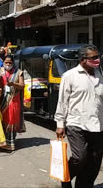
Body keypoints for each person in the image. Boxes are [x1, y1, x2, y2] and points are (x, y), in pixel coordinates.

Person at [55, 44, 103, 188]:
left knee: (94, 162)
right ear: (83, 60)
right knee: (79, 157)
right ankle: (65, 177)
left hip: (98, 124)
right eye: (93, 57)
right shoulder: (70, 76)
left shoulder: (99, 74)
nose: (97, 60)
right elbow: (62, 101)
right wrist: (59, 124)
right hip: (76, 123)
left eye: (98, 56)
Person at [0, 55, 25, 151]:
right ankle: (1, 142)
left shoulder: (18, 72)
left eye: (10, 62)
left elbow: (22, 86)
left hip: (14, 100)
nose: (8, 64)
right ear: (3, 62)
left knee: (11, 119)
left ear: (13, 63)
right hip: (1, 100)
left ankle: (10, 143)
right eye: (6, 62)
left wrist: (13, 84)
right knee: (1, 120)